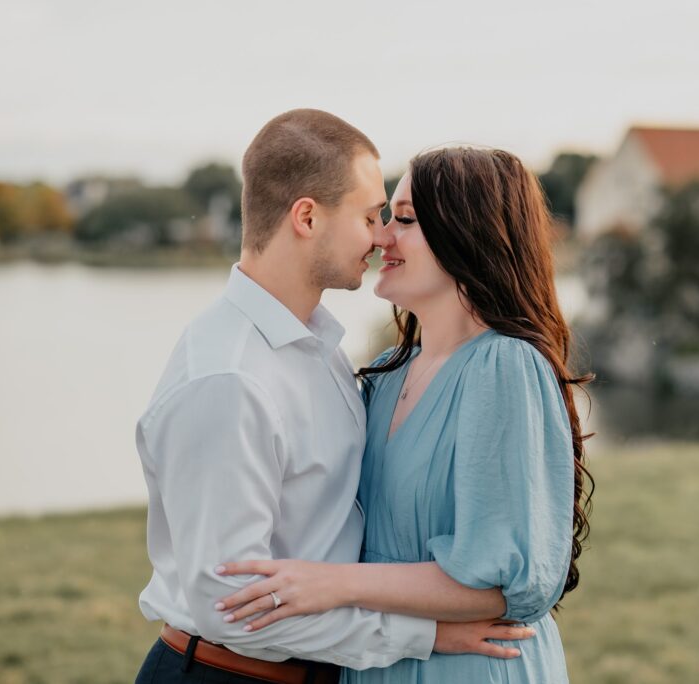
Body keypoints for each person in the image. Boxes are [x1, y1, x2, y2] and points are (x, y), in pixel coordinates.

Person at [133, 112, 536, 684]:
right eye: (372, 215)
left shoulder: (319, 346)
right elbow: (233, 604)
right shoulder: (227, 378)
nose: (381, 236)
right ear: (306, 217)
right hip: (227, 674)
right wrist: (423, 636)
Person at [214, 146, 594, 683]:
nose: (381, 236)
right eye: (384, 217)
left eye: (406, 220)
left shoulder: (503, 366)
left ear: (469, 234)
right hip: (379, 661)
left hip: (469, 668)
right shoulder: (386, 374)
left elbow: (499, 586)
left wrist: (332, 583)